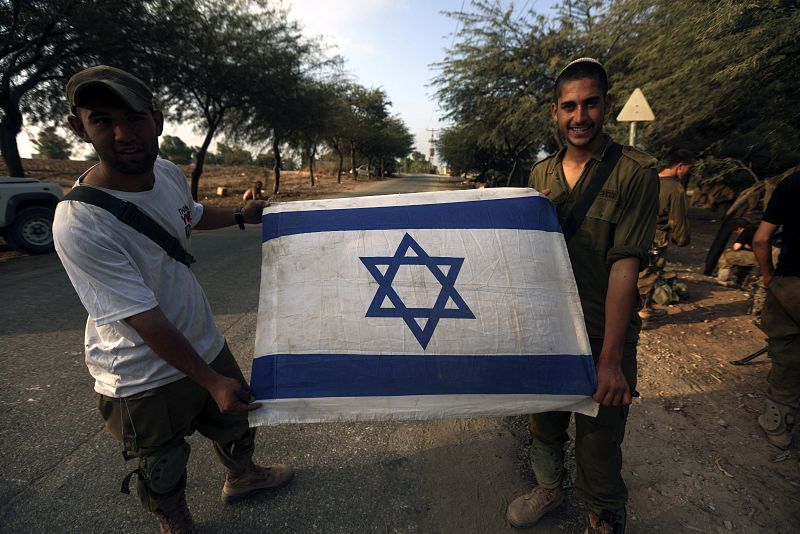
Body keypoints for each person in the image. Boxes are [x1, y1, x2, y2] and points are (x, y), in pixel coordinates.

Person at [53, 65, 293, 533]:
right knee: (161, 464)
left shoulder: (165, 172)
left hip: (202, 341)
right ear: (79, 127)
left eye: (136, 117)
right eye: (102, 120)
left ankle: (243, 477)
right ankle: (175, 522)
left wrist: (244, 217)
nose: (124, 134)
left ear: (158, 119)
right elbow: (144, 319)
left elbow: (191, 215)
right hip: (140, 373)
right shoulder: (80, 222)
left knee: (239, 423)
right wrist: (209, 380)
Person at [507, 58, 658, 534]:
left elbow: (624, 268)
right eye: (569, 106)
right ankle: (550, 488)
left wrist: (611, 359)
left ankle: (604, 514)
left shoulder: (635, 173)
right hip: (548, 329)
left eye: (590, 103)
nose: (580, 117)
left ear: (607, 106)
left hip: (601, 332)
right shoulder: (540, 174)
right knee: (545, 423)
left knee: (599, 437)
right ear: (555, 112)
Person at [752, 171, 800, 449]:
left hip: (791, 283)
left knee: (786, 352)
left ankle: (778, 425)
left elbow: (761, 239)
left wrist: (769, 275)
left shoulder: (792, 183)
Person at [637, 149, 693, 322]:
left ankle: (642, 309)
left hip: (634, 232)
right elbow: (678, 220)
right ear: (680, 166)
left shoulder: (646, 180)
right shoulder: (676, 189)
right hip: (656, 237)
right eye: (689, 169)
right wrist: (681, 239)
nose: (687, 173)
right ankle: (640, 315)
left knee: (635, 271)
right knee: (648, 274)